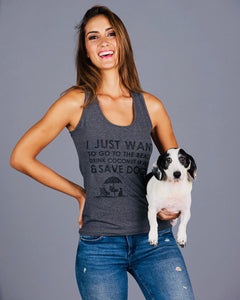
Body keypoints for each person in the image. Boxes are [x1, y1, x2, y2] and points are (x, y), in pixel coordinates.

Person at [10, 5, 195, 300]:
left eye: (110, 34)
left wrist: (172, 207)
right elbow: (20, 156)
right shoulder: (74, 103)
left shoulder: (152, 106)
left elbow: (181, 171)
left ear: (122, 41)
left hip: (154, 240)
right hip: (100, 246)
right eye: (93, 37)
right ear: (85, 50)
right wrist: (79, 194)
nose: (104, 42)